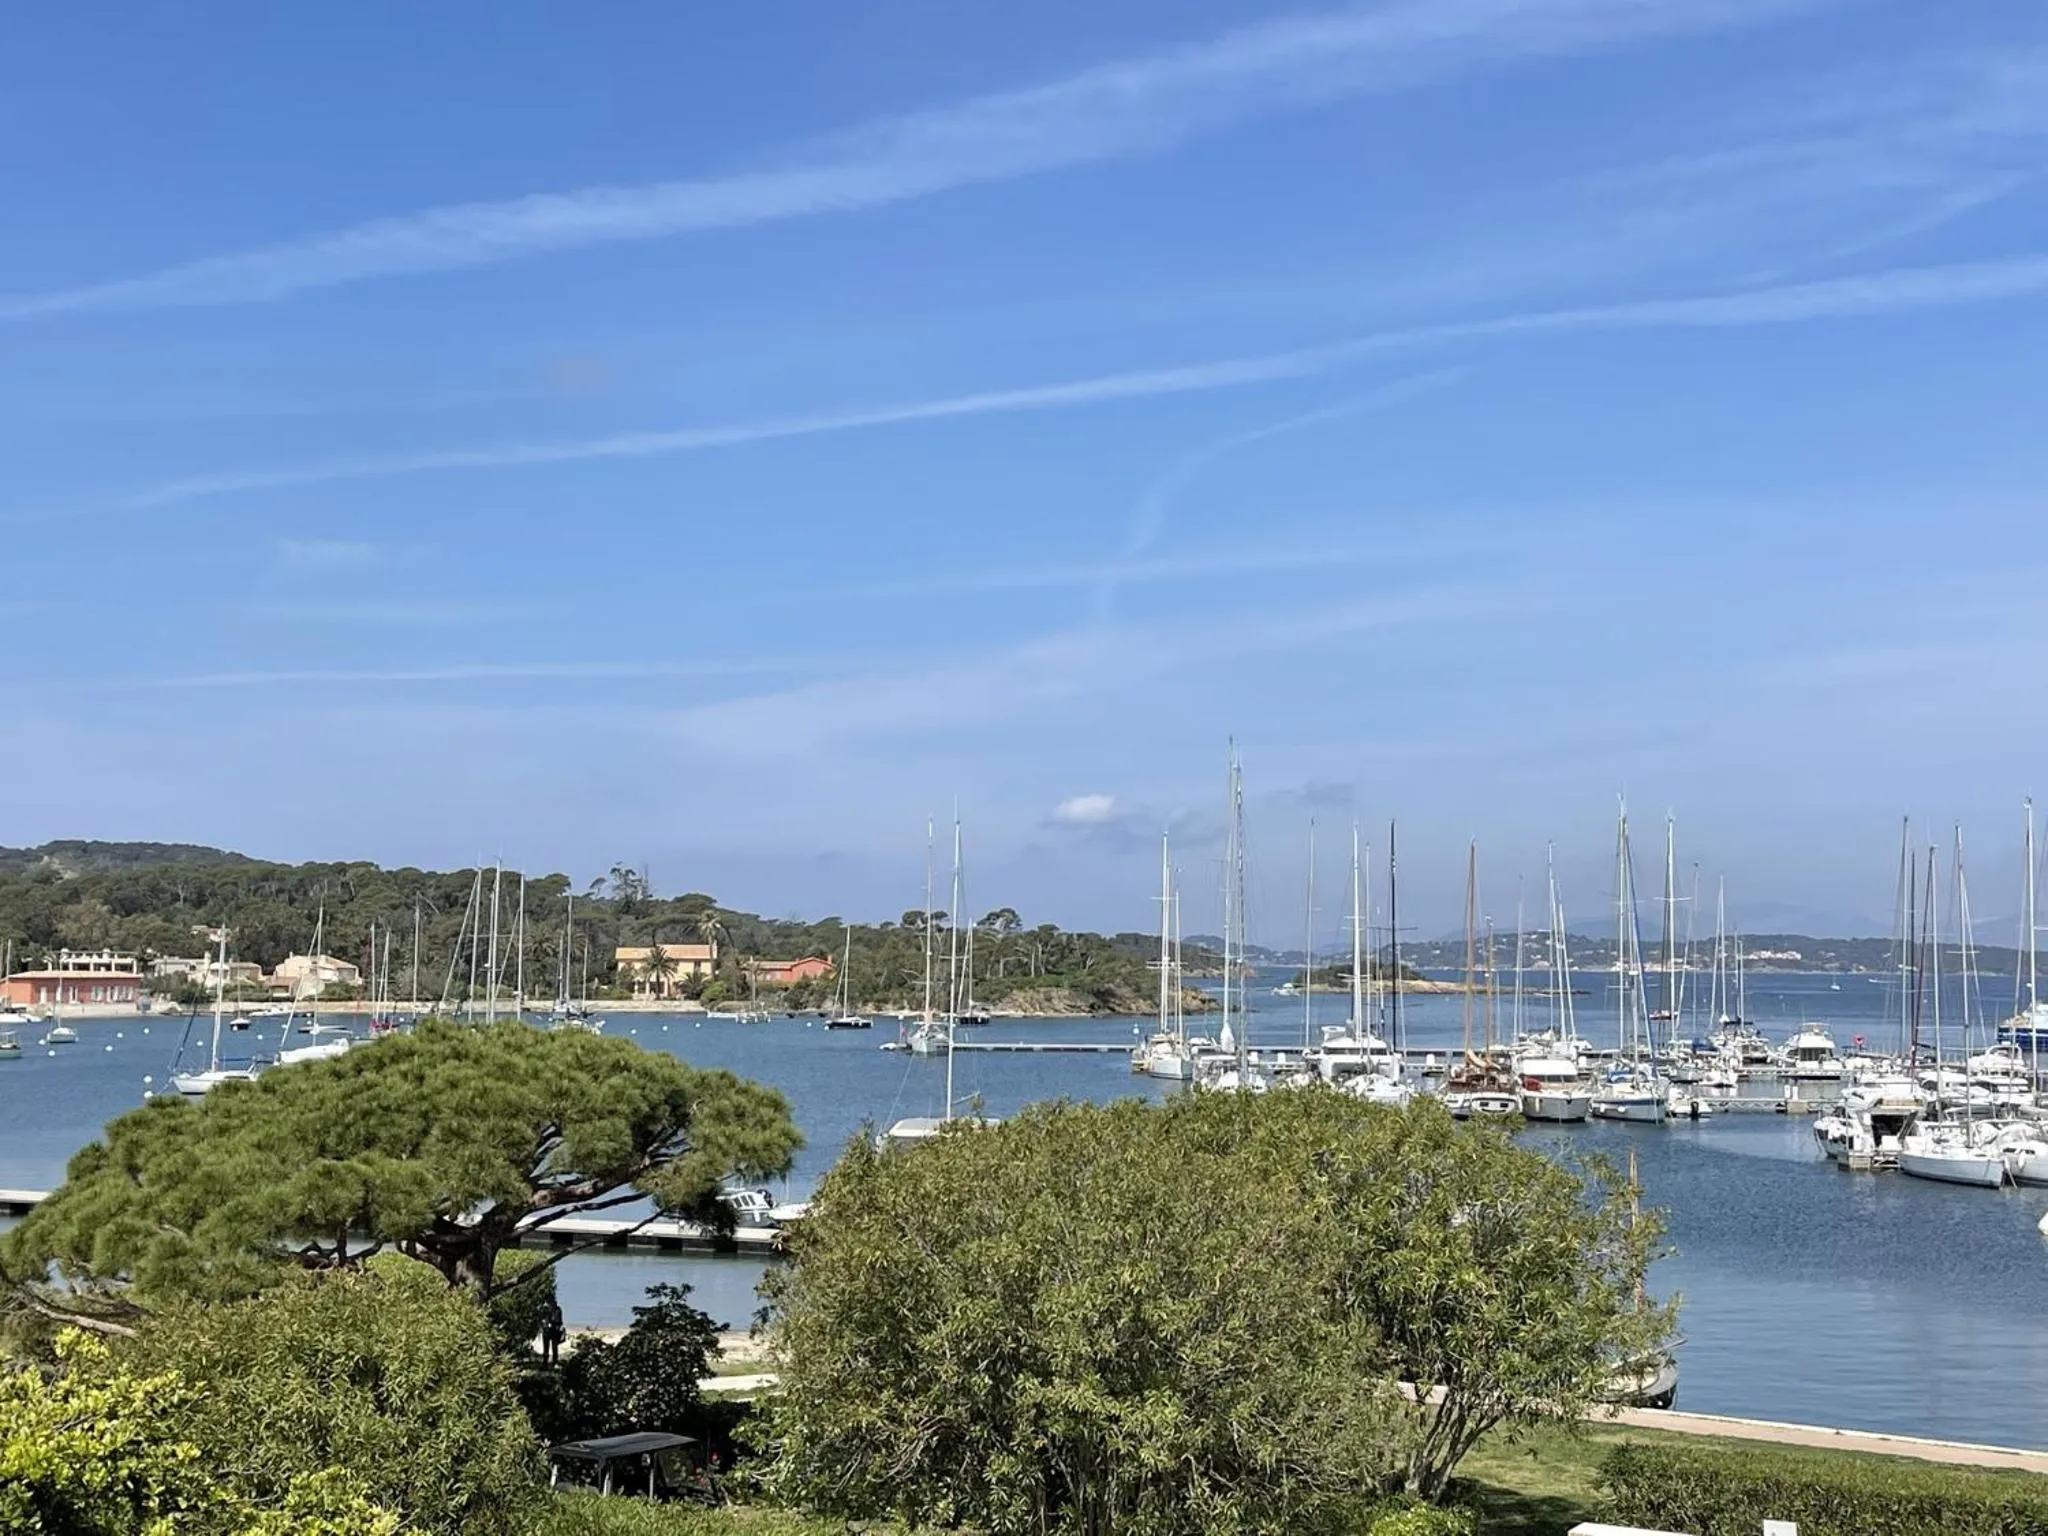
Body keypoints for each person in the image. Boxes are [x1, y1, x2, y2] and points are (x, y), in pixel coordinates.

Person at [540, 1296, 567, 1367]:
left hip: (554, 1331)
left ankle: (554, 1362)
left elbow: (558, 1320)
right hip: (546, 1331)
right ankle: (545, 1362)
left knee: (554, 1347)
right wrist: (544, 1323)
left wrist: (551, 1323)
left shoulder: (558, 1310)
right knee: (546, 1347)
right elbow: (542, 1318)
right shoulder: (545, 1310)